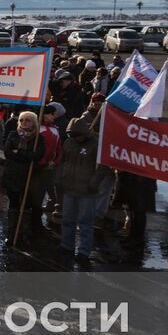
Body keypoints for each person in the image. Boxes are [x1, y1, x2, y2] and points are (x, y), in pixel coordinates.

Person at [60, 101, 103, 268]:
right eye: (72, 135)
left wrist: (94, 183)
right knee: (67, 219)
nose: (75, 138)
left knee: (85, 222)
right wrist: (60, 180)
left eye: (77, 135)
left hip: (87, 191)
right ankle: (66, 245)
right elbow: (62, 162)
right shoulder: (69, 143)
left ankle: (84, 251)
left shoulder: (95, 144)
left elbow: (101, 168)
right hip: (70, 188)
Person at [1, 111, 46, 249]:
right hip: (12, 175)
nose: (24, 122)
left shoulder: (39, 138)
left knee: (26, 205)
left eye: (28, 120)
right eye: (22, 120)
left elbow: (36, 155)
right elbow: (8, 152)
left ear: (34, 122)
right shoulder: (13, 135)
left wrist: (18, 152)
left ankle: (24, 233)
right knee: (13, 204)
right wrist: (25, 155)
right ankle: (12, 233)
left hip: (29, 177)